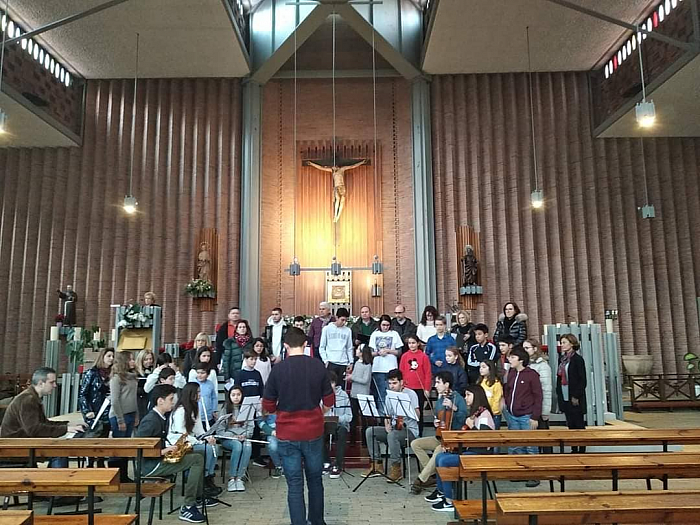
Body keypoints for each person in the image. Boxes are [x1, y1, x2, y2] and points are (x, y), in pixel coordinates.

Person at [263, 327, 335, 525]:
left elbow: (268, 405)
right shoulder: (318, 366)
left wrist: (280, 413)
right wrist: (320, 412)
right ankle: (317, 521)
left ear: (285, 346)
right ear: (306, 345)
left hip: (287, 434)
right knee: (315, 480)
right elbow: (329, 399)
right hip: (313, 431)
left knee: (294, 484)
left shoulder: (278, 370)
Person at [135, 384, 216, 524]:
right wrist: (163, 451)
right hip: (151, 465)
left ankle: (196, 497)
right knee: (197, 459)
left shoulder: (161, 417)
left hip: (158, 460)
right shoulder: (150, 420)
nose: (173, 402)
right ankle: (189, 505)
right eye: (171, 399)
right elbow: (139, 447)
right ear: (160, 401)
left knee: (198, 456)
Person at [427, 384, 495, 512]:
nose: (466, 398)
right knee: (440, 456)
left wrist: (472, 427)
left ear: (477, 396)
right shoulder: (475, 413)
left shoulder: (485, 415)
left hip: (480, 455)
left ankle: (450, 500)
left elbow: (484, 441)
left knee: (444, 461)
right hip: (471, 451)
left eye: (469, 395)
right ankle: (442, 493)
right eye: (465, 395)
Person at [410, 371, 467, 495]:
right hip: (440, 435)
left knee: (438, 450)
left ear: (447, 384)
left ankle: (421, 479)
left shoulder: (458, 398)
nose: (435, 385)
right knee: (416, 444)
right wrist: (437, 421)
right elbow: (440, 417)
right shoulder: (440, 400)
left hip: (452, 438)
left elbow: (464, 419)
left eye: (438, 382)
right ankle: (432, 475)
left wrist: (454, 408)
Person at [362, 368, 420, 483]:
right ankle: (377, 464)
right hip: (394, 428)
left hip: (409, 430)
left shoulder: (410, 394)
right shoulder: (389, 396)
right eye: (390, 383)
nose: (392, 386)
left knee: (392, 435)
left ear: (401, 382)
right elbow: (387, 415)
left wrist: (407, 408)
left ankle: (396, 468)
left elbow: (418, 415)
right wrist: (387, 425)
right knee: (370, 431)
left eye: (394, 383)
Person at [167, 383, 222, 496]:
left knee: (214, 446)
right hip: (178, 443)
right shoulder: (180, 411)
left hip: (191, 440)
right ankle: (201, 479)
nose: (200, 394)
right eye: (197, 392)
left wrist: (208, 437)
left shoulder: (195, 407)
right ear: (191, 394)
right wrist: (200, 441)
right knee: (206, 449)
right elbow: (182, 433)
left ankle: (208, 477)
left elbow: (199, 430)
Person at [503, 346, 542, 487]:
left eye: (513, 357)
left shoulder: (531, 375)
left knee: (530, 445)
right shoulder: (512, 372)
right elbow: (508, 389)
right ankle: (519, 472)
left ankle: (534, 475)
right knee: (515, 445)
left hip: (527, 415)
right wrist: (507, 405)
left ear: (521, 359)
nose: (510, 359)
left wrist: (535, 416)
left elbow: (538, 396)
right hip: (513, 414)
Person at [109, 351, 139, 482]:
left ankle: (124, 475)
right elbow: (115, 400)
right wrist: (120, 420)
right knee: (119, 447)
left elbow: (133, 398)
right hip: (119, 415)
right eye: (131, 359)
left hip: (131, 413)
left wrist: (136, 414)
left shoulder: (132, 376)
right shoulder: (116, 378)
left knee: (126, 447)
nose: (133, 361)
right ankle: (116, 476)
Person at [219, 385, 254, 492]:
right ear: (229, 396)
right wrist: (233, 436)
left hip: (243, 437)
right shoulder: (225, 409)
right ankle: (232, 478)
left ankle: (240, 477)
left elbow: (251, 427)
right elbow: (220, 430)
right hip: (229, 439)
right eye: (233, 395)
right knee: (237, 446)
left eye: (238, 395)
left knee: (248, 445)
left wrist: (245, 435)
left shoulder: (247, 409)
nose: (236, 397)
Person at [557, 333, 587, 452]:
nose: (562, 345)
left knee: (578, 423)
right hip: (564, 394)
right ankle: (574, 448)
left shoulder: (577, 359)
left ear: (572, 343)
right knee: (570, 423)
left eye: (564, 342)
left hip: (575, 396)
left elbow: (582, 380)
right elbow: (559, 376)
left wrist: (576, 395)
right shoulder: (562, 359)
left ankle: (582, 449)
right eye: (561, 343)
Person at [368, 314, 403, 414]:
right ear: (380, 325)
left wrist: (389, 351)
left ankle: (392, 414)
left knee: (391, 392)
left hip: (391, 368)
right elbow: (370, 353)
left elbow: (399, 352)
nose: (385, 327)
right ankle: (381, 416)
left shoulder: (394, 334)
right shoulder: (374, 334)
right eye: (383, 325)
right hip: (378, 368)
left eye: (387, 325)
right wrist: (378, 353)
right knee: (380, 393)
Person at [78, 347, 114, 442]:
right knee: (94, 436)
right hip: (94, 411)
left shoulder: (113, 374)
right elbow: (83, 394)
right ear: (102, 357)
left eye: (113, 356)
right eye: (109, 356)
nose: (111, 358)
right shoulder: (92, 373)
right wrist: (86, 410)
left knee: (104, 436)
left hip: (107, 411)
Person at [398, 334, 431, 436]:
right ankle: (407, 432)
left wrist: (427, 389)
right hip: (407, 388)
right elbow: (401, 371)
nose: (411, 345)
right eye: (409, 343)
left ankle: (419, 432)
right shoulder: (404, 356)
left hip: (419, 389)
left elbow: (428, 373)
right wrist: (401, 385)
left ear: (418, 344)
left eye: (413, 343)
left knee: (418, 410)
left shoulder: (424, 357)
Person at [323, 371, 351, 479]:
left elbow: (349, 416)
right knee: (317, 432)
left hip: (340, 424)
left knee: (342, 431)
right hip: (325, 425)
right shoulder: (320, 395)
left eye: (332, 383)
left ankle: (338, 464)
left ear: (335, 383)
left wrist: (337, 419)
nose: (330, 386)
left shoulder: (343, 395)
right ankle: (326, 462)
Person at [524, 339, 552, 437]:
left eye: (527, 348)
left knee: (544, 437)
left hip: (539, 407)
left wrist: (544, 411)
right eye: (523, 348)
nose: (525, 350)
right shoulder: (525, 364)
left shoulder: (542, 366)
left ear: (535, 349)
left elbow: (546, 389)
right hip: (529, 406)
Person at [319, 307, 354, 384]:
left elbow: (349, 348)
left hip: (343, 363)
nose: (344, 322)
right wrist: (325, 360)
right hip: (331, 362)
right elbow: (322, 347)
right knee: (330, 386)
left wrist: (351, 362)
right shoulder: (327, 329)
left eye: (346, 320)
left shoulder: (348, 331)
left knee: (341, 387)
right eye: (342, 320)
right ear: (336, 317)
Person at [347, 344, 372, 445]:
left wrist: (352, 378)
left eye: (358, 349)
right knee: (353, 417)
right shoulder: (357, 362)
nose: (356, 351)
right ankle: (352, 440)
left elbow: (365, 380)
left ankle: (365, 441)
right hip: (354, 394)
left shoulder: (367, 365)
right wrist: (350, 376)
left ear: (362, 352)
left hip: (363, 394)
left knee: (364, 419)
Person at [477, 360, 503, 429]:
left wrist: (492, 412)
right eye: (480, 367)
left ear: (490, 368)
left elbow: (497, 399)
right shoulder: (479, 382)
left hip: (494, 414)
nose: (481, 369)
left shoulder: (496, 383)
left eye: (484, 367)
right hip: (481, 413)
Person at [258, 412, 283, 478]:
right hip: (272, 433)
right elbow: (260, 422)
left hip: (285, 431)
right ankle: (279, 467)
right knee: (272, 446)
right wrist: (271, 432)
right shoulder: (263, 406)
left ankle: (287, 467)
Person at [135, 349, 155, 420]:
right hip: (139, 401)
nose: (149, 361)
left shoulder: (152, 372)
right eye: (146, 359)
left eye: (150, 359)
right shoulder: (136, 372)